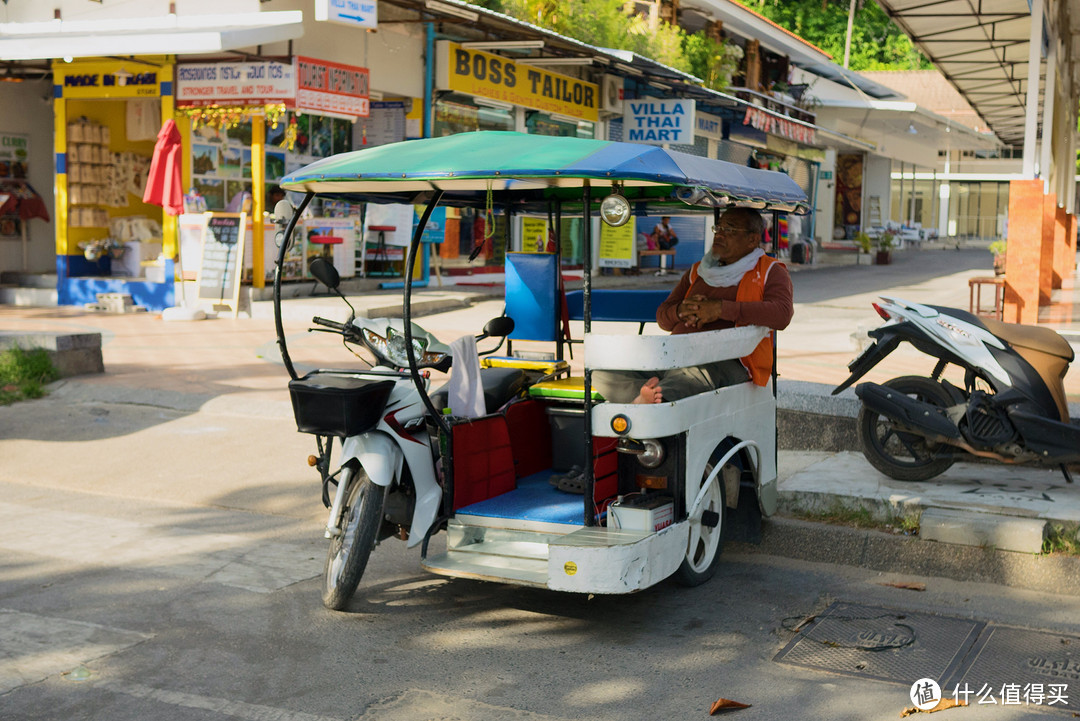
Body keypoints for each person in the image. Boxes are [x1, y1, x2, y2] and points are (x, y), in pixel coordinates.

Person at [592, 208, 794, 404]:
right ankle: (642, 397)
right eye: (718, 229)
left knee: (690, 377)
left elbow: (782, 314)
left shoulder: (771, 270)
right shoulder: (698, 270)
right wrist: (680, 312)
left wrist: (720, 309)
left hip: (729, 360)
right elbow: (663, 317)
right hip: (677, 352)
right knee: (602, 372)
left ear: (752, 239)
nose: (720, 235)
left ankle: (653, 398)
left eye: (729, 230)